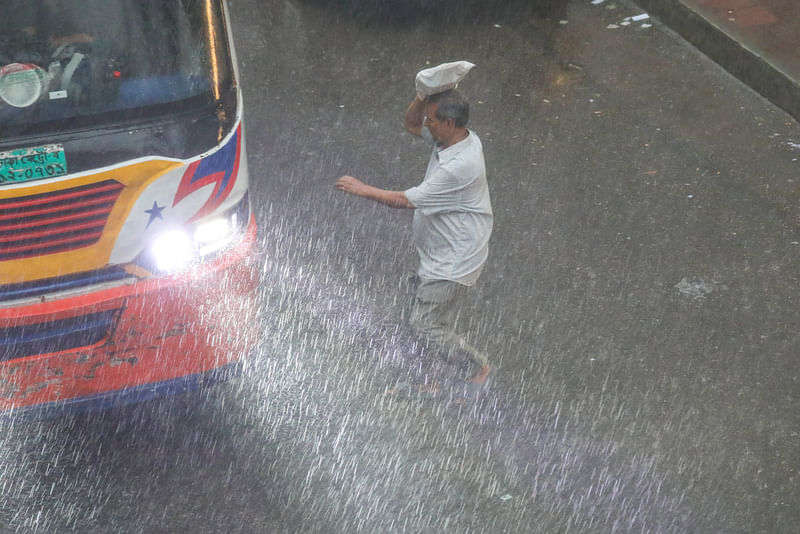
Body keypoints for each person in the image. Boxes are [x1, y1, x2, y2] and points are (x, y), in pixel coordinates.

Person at [335, 88, 493, 385]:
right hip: (438, 252)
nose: (425, 123)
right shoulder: (457, 138)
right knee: (411, 317)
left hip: (453, 263)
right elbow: (410, 124)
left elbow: (403, 200)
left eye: (431, 119)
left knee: (425, 325)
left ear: (448, 123)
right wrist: (423, 94)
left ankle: (476, 369)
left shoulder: (461, 166)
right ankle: (426, 375)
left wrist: (361, 188)